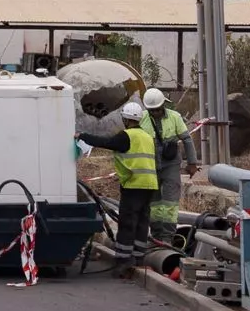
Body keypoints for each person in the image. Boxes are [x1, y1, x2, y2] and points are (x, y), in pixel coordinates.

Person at [78, 101, 172, 268]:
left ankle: (123, 261)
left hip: (134, 185)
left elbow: (106, 143)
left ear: (126, 120)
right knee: (142, 222)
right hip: (150, 185)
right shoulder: (147, 137)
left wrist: (83, 136)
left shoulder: (126, 136)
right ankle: (138, 258)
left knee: (128, 222)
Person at [140, 88, 196, 248]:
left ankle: (167, 237)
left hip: (170, 165)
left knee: (170, 203)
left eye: (158, 109)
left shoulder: (175, 117)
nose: (156, 112)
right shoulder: (142, 119)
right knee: (155, 204)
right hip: (150, 166)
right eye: (152, 110)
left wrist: (192, 163)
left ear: (164, 105)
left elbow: (187, 139)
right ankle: (157, 236)